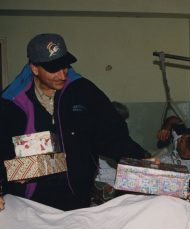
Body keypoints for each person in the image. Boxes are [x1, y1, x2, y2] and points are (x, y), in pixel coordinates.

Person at [0, 33, 147, 211]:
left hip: (77, 193)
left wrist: (142, 159)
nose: (62, 75)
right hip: (29, 198)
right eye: (53, 69)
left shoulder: (84, 92)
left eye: (65, 66)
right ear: (34, 68)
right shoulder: (12, 101)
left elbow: (113, 135)